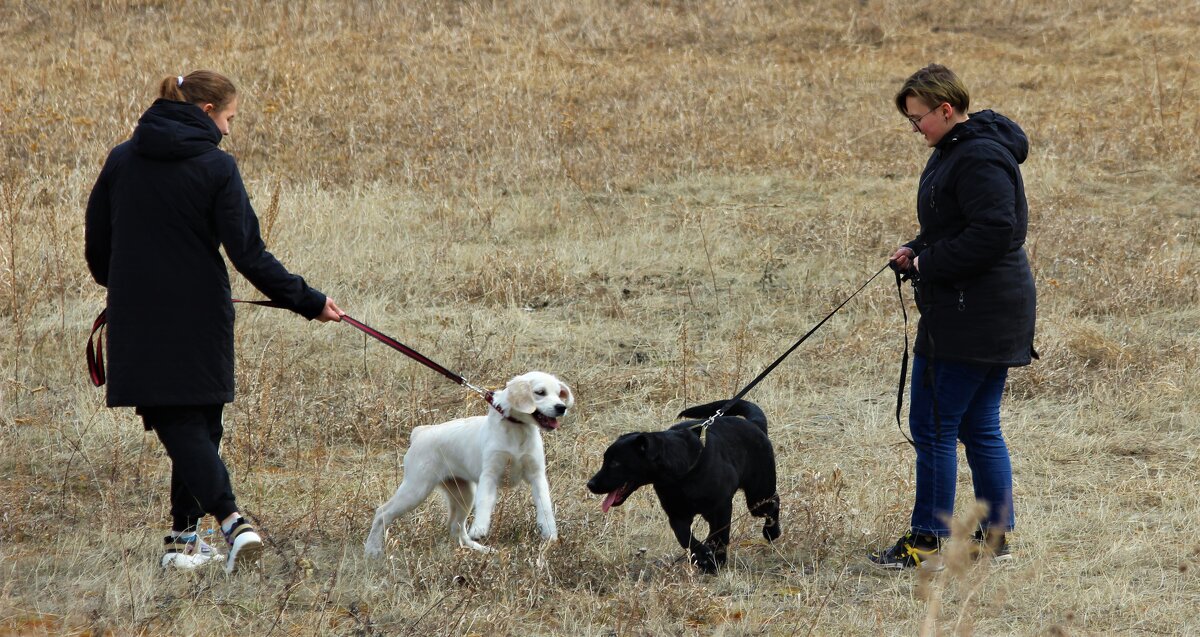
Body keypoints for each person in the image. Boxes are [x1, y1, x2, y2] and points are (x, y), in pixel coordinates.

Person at [85, 70, 344, 574]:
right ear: (206, 113)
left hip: (138, 317)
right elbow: (248, 254)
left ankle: (183, 541)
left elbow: (98, 250)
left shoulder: (121, 159)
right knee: (186, 421)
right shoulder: (216, 167)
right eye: (229, 118)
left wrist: (126, 284)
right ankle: (232, 522)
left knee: (197, 424)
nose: (229, 129)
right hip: (201, 315)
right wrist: (308, 300)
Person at [869, 64, 1037, 570]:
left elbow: (993, 230)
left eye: (918, 119)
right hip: (990, 308)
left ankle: (927, 542)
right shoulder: (960, 149)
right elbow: (957, 223)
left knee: (935, 426)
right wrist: (917, 247)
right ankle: (994, 537)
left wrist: (929, 262)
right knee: (979, 424)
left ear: (946, 110)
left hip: (973, 314)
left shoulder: (978, 156)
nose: (914, 129)